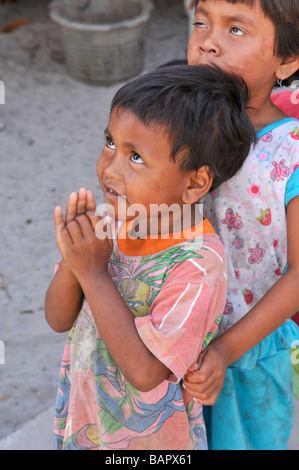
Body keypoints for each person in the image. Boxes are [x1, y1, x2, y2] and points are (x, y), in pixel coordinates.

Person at [45, 64, 255, 450]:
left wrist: (92, 272)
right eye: (110, 142)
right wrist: (74, 260)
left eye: (135, 157)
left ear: (194, 183)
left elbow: (146, 373)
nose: (110, 167)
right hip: (85, 427)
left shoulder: (197, 266)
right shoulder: (110, 223)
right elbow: (58, 319)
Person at [183, 0, 299, 450]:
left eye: (236, 30)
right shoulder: (177, 120)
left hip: (248, 357)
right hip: (170, 336)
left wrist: (227, 349)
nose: (207, 41)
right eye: (201, 23)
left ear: (287, 61)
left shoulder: (289, 155)